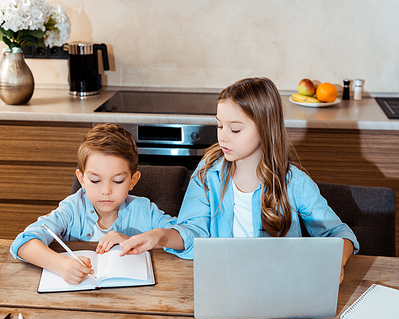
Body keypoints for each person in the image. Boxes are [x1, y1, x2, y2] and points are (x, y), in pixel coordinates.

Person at [120, 77, 359, 283]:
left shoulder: (294, 183)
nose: (223, 137)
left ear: (265, 129)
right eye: (219, 125)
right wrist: (159, 235)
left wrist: (336, 261)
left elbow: (339, 234)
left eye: (235, 129)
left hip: (279, 284)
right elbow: (193, 231)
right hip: (223, 282)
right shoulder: (207, 174)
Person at [10, 123, 176, 285]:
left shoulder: (144, 210)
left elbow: (185, 237)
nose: (106, 190)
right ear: (82, 179)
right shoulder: (72, 208)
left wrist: (144, 239)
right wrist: (61, 265)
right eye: (95, 180)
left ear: (133, 181)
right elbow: (22, 243)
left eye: (117, 181)